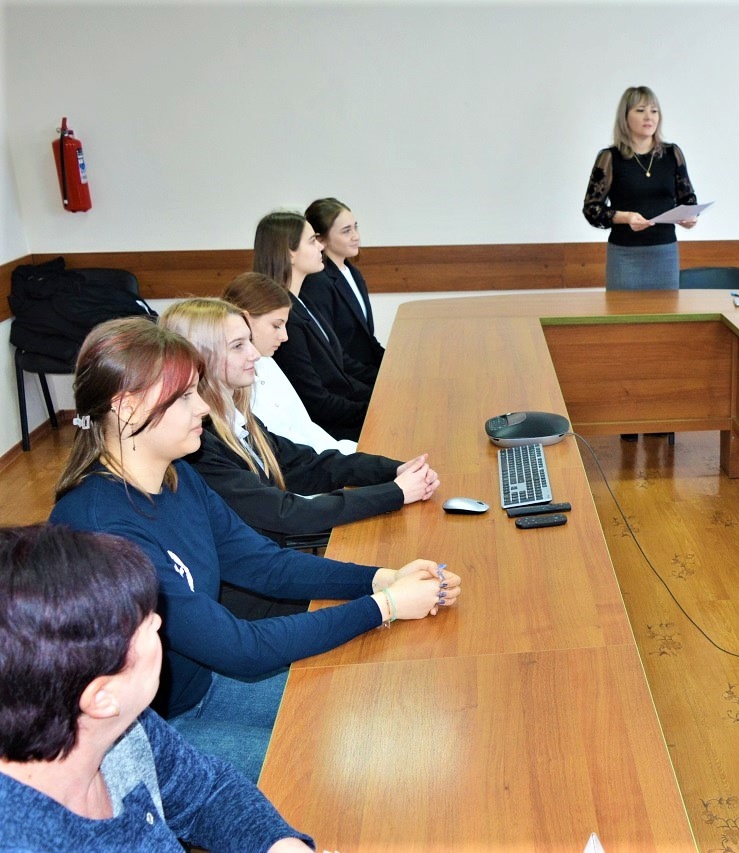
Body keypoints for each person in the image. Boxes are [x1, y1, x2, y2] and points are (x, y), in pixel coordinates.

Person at [49, 318, 461, 781]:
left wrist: (379, 578)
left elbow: (265, 564)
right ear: (126, 408)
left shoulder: (179, 477)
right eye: (184, 397)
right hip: (146, 738)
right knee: (329, 772)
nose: (203, 407)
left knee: (362, 720)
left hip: (202, 687)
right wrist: (384, 606)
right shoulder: (102, 531)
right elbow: (242, 649)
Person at [0, 524, 315, 851]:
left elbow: (205, 793)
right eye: (144, 626)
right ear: (101, 697)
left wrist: (280, 844)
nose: (158, 621)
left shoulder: (125, 727)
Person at [160, 298, 439, 544]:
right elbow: (285, 513)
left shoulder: (237, 420)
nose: (254, 354)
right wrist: (394, 493)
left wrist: (395, 470)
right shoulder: (200, 445)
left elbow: (308, 465)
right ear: (200, 357)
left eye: (249, 341)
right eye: (238, 346)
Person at [255, 210, 371, 441]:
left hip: (345, 413)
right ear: (290, 254)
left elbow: (340, 367)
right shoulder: (285, 321)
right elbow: (316, 403)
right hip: (328, 431)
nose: (321, 246)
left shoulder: (303, 300)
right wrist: (372, 410)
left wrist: (376, 396)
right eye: (312, 241)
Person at [224, 271, 357, 454]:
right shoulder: (233, 381)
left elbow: (305, 427)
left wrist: (352, 454)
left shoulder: (268, 363)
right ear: (245, 320)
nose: (285, 336)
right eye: (276, 325)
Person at [582, 85, 699, 290]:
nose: (649, 117)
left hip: (664, 253)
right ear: (625, 117)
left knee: (667, 311)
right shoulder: (610, 157)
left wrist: (690, 217)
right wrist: (625, 217)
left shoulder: (672, 154)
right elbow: (592, 209)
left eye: (654, 111)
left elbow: (687, 198)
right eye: (640, 110)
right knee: (622, 311)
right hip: (625, 255)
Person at [301, 197, 384, 379]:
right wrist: (377, 376)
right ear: (321, 239)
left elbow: (367, 339)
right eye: (346, 231)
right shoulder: (317, 282)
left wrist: (391, 364)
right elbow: (332, 351)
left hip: (366, 372)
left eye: (355, 227)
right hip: (349, 380)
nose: (356, 236)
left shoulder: (353, 272)